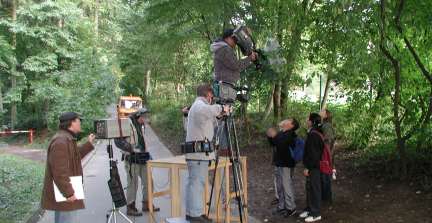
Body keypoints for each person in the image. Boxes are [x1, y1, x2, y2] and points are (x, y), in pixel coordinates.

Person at [184, 84, 230, 223]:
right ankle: (193, 214)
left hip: (200, 155)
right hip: (197, 154)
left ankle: (196, 212)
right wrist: (222, 108)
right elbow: (210, 110)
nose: (213, 97)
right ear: (208, 94)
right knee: (196, 183)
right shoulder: (199, 105)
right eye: (212, 95)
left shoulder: (201, 108)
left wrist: (222, 114)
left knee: (198, 183)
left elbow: (212, 121)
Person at [41, 112, 95, 223]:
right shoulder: (61, 141)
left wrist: (88, 144)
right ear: (72, 123)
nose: (80, 123)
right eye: (79, 120)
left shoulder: (67, 138)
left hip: (65, 191)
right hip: (64, 193)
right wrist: (69, 192)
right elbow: (60, 172)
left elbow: (75, 157)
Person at [114, 108, 160, 216]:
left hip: (143, 157)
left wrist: (147, 153)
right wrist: (130, 149)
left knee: (149, 181)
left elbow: (141, 140)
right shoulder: (127, 123)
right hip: (132, 159)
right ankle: (130, 207)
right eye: (145, 117)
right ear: (140, 116)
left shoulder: (140, 124)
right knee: (132, 184)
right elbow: (118, 141)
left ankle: (147, 204)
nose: (147, 120)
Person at [267, 119, 300, 217]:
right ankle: (282, 206)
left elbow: (282, 145)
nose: (285, 120)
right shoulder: (282, 132)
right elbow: (274, 144)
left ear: (291, 125)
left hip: (286, 165)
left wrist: (274, 136)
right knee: (280, 186)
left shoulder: (291, 134)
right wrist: (270, 137)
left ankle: (291, 208)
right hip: (279, 163)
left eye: (288, 120)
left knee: (286, 186)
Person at [299, 113, 325, 222]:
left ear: (312, 121)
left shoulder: (314, 135)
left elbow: (314, 155)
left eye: (308, 119)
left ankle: (316, 213)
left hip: (314, 167)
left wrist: (308, 168)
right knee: (309, 188)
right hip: (312, 166)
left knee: (315, 189)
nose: (306, 120)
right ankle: (309, 209)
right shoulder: (313, 133)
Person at [320, 109, 336, 203]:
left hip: (326, 154)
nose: (319, 113)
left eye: (321, 112)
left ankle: (326, 198)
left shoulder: (327, 126)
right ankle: (325, 196)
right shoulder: (325, 125)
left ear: (326, 115)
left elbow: (329, 140)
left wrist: (327, 155)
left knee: (325, 175)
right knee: (324, 175)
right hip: (326, 153)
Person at [266, 127, 280, 206]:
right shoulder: (275, 139)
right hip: (277, 163)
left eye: (271, 132)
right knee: (276, 180)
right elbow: (272, 144)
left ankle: (282, 198)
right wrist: (269, 137)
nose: (269, 134)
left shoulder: (280, 138)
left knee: (282, 181)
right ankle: (278, 197)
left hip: (282, 163)